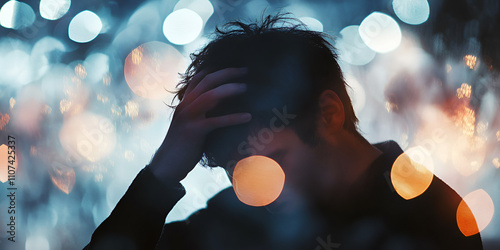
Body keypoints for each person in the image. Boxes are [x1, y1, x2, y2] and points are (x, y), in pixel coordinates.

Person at [84, 14, 483, 249]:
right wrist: (161, 175)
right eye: (235, 174)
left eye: (272, 161)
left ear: (328, 114)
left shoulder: (432, 220)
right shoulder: (236, 219)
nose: (257, 193)